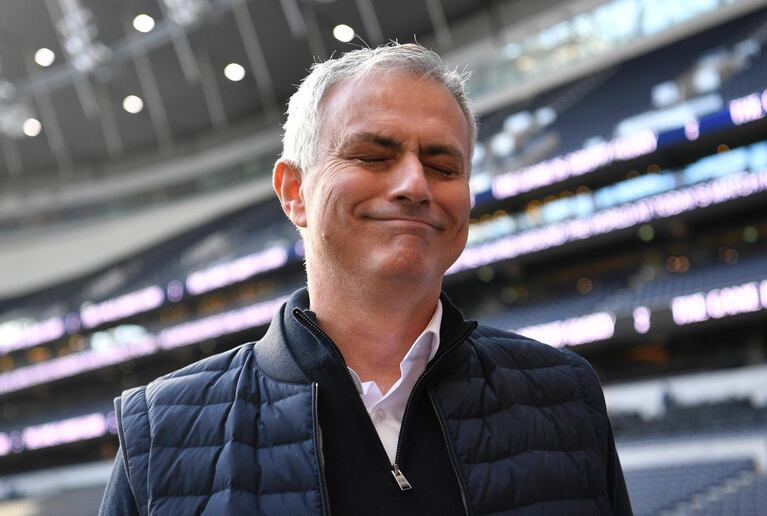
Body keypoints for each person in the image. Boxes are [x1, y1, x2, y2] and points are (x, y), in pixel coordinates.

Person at [100, 43, 631, 515]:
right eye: (373, 156)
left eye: (444, 166)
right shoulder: (160, 433)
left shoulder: (566, 394)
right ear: (293, 191)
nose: (414, 184)